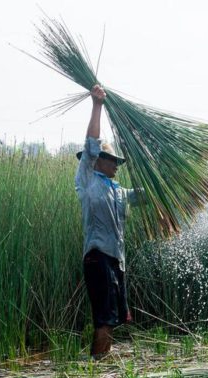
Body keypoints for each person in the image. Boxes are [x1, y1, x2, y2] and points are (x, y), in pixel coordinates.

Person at [75, 84, 140, 358]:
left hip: (116, 261)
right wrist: (97, 105)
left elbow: (144, 195)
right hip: (98, 258)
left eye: (116, 161)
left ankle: (99, 364)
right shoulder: (88, 180)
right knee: (104, 316)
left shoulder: (118, 192)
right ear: (98, 162)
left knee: (112, 317)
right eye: (111, 160)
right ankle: (95, 367)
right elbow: (91, 144)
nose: (116, 164)